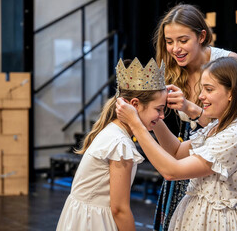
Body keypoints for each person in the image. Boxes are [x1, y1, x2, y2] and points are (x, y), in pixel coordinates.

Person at [116, 56, 237, 230]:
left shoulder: (235, 136)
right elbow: (177, 151)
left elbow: (172, 171)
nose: (201, 96)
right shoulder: (217, 126)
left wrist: (136, 125)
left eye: (209, 89)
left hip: (215, 222)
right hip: (197, 216)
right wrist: (153, 115)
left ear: (231, 93)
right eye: (202, 89)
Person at [152, 3, 237, 230]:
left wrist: (191, 108)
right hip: (187, 146)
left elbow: (233, 122)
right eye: (169, 42)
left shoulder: (228, 63)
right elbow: (178, 151)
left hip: (216, 155)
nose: (175, 49)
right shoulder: (172, 68)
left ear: (201, 36)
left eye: (183, 40)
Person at [56, 58, 167, 231]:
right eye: (158, 109)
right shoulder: (120, 144)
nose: (162, 116)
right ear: (135, 105)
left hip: (83, 216)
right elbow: (119, 209)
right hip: (94, 222)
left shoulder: (113, 130)